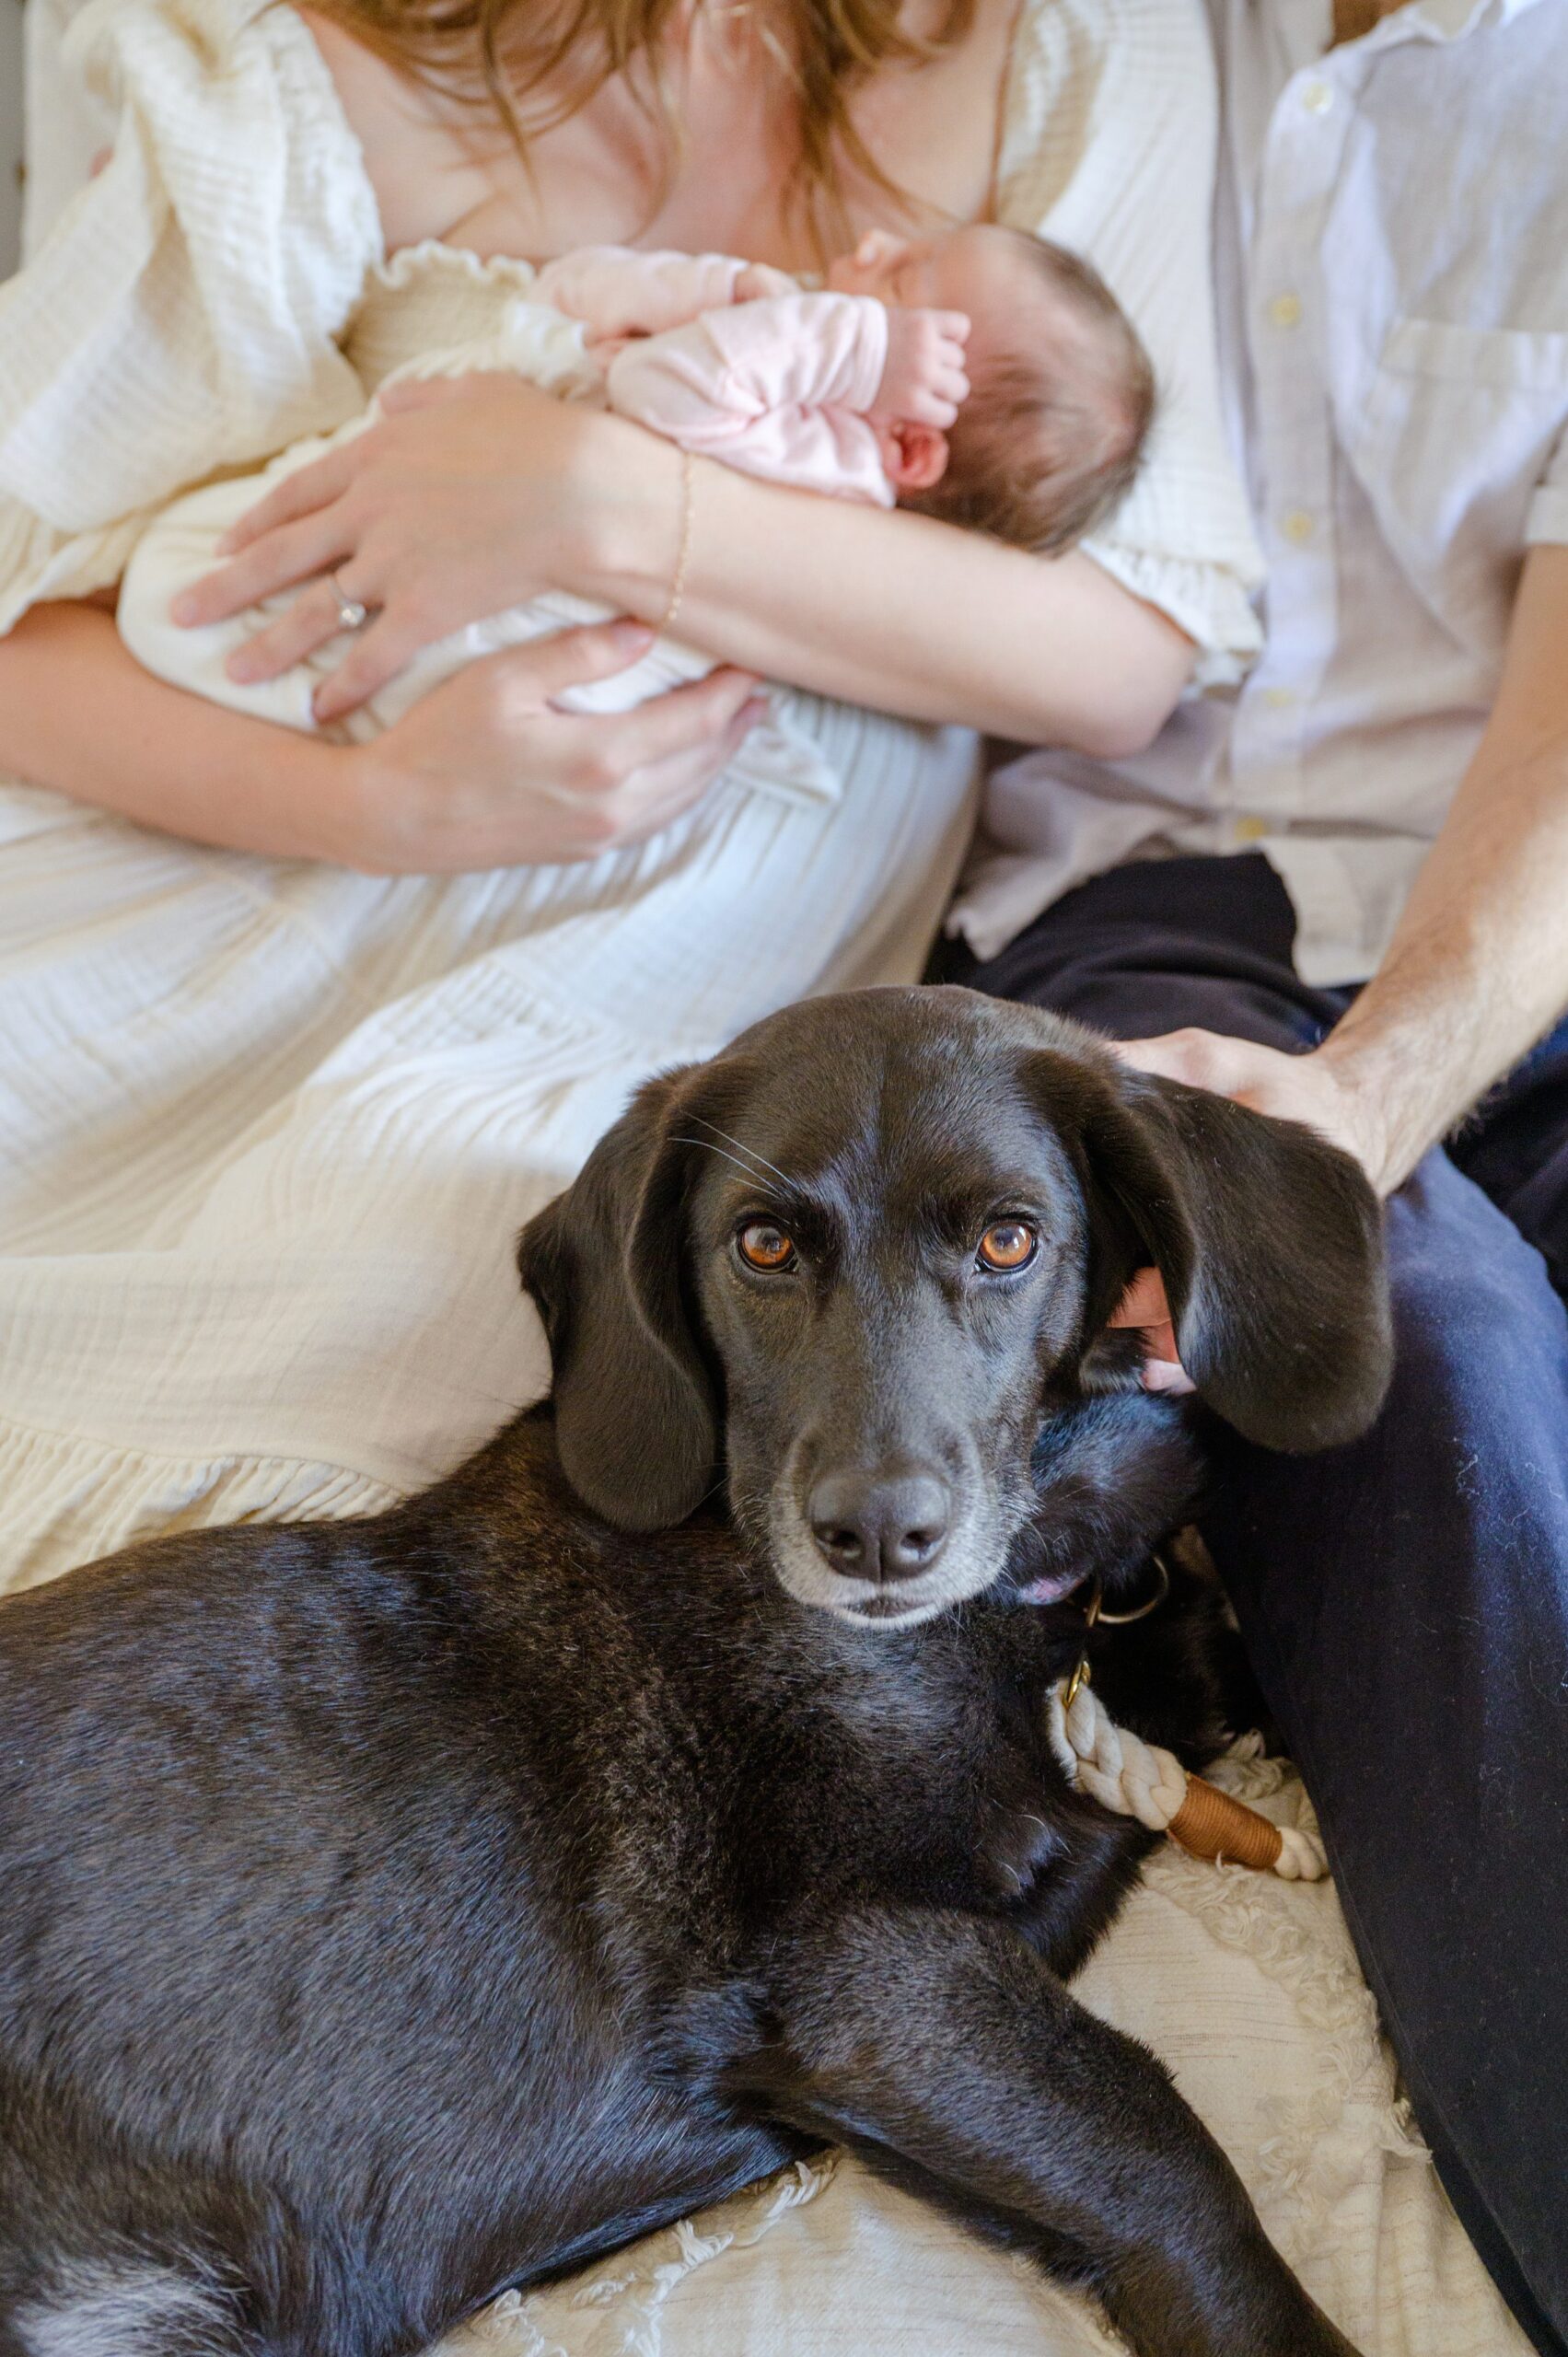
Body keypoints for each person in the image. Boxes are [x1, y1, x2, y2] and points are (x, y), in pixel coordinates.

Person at [0, 0, 1257, 1585]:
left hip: (610, 995)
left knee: (406, 1285)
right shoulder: (274, 79)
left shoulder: (1069, 43)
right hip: (222, 851)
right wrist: (389, 806)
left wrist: (596, 500)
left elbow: (1123, 653)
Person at [934, 0, 1568, 2349]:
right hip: (1141, 905)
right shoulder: (1047, 49)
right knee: (1425, 1349)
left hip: (1499, 900)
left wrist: (1389, 1076)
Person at [118, 225, 1155, 761]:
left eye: (902, 289)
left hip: (507, 628)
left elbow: (654, 390)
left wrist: (840, 339)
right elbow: (578, 294)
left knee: (209, 597)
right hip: (461, 520)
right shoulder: (799, 400)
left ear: (912, 450)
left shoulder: (823, 462)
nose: (869, 251)